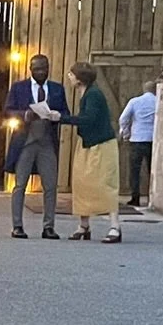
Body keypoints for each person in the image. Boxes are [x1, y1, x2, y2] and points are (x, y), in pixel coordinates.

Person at [4, 54, 72, 238]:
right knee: (20, 185)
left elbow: (66, 112)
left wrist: (57, 115)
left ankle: (48, 226)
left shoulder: (57, 89)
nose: (41, 72)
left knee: (50, 186)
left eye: (45, 68)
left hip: (47, 142)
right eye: (38, 68)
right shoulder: (19, 88)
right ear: (30, 69)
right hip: (25, 141)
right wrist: (24, 115)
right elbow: (8, 110)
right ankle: (17, 226)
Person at [52, 64, 122, 242]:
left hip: (101, 144)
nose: (69, 76)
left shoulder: (94, 95)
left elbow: (89, 119)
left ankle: (115, 226)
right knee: (82, 183)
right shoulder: (86, 93)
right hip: (87, 143)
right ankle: (84, 225)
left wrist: (62, 118)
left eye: (71, 74)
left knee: (105, 184)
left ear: (80, 78)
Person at [118, 81, 158, 207]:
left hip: (137, 139)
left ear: (143, 89)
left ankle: (135, 197)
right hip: (153, 140)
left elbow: (123, 118)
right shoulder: (159, 102)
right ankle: (153, 198)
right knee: (152, 170)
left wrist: (125, 133)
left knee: (135, 171)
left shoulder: (135, 101)